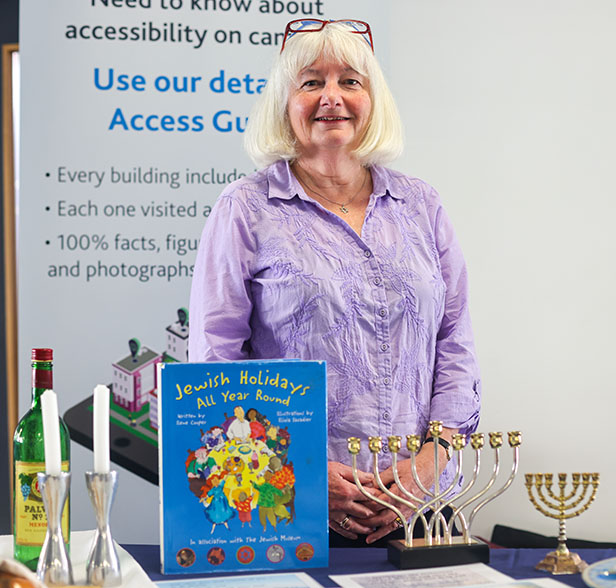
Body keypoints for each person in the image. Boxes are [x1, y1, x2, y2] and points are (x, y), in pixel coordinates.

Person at [189, 18, 481, 546]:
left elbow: (455, 344)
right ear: (285, 102)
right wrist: (298, 471)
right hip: (294, 509)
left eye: (351, 80)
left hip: (425, 506)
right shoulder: (245, 209)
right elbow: (214, 366)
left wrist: (432, 462)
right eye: (311, 82)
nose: (332, 97)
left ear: (373, 99)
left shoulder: (422, 205)